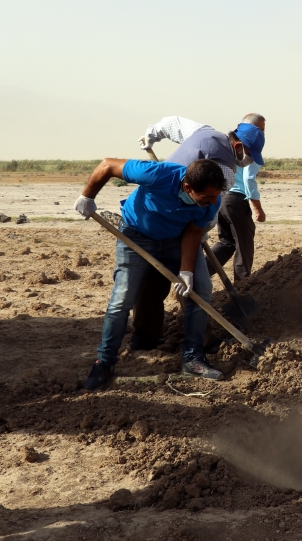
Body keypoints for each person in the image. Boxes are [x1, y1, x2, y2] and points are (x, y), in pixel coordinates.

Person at [74, 158, 228, 390]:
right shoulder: (157, 174)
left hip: (177, 239)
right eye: (206, 197)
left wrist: (186, 271)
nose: (213, 202)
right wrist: (88, 195)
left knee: (202, 289)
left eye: (215, 196)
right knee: (121, 300)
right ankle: (104, 362)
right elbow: (107, 166)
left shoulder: (212, 202)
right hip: (136, 236)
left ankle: (193, 357)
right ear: (188, 187)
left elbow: (194, 232)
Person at [128, 115, 264, 350]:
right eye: (250, 154)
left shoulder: (205, 133)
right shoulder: (227, 171)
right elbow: (209, 208)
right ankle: (203, 342)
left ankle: (145, 338)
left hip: (150, 211)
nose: (249, 161)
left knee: (152, 281)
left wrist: (152, 134)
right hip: (176, 219)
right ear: (239, 146)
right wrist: (201, 233)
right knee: (197, 285)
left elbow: (174, 124)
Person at [209, 117, 267, 282]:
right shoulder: (250, 148)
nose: (262, 134)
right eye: (260, 130)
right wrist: (257, 208)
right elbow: (249, 179)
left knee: (226, 243)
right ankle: (242, 284)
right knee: (244, 245)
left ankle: (200, 274)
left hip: (220, 198)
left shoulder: (229, 146)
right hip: (235, 201)